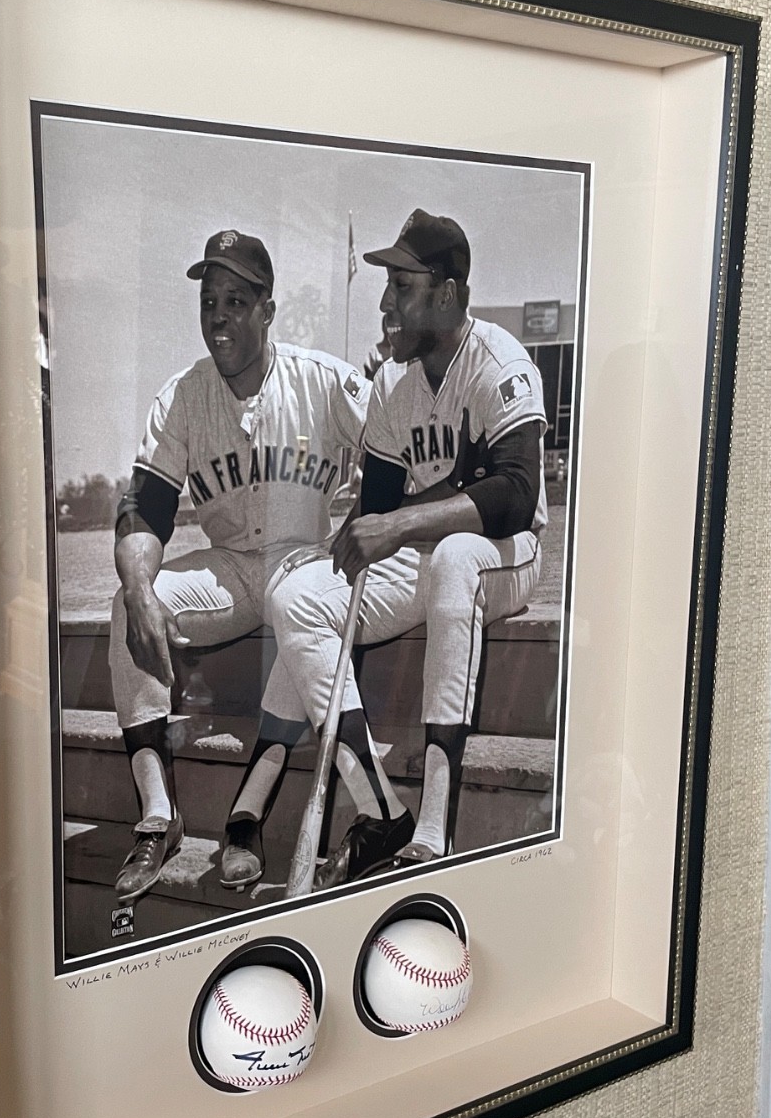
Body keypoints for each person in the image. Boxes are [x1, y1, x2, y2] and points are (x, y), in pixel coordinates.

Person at [262, 208, 548, 887]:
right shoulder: (395, 383)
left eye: (402, 286)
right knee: (294, 596)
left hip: (505, 557)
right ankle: (381, 809)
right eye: (387, 287)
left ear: (446, 293)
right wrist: (341, 542)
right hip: (427, 557)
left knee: (454, 557)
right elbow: (380, 508)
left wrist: (394, 525)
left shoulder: (499, 361)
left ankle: (434, 828)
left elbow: (514, 495)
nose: (386, 303)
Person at [109, 228, 369, 898]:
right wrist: (140, 587)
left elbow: (394, 447)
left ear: (267, 311)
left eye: (235, 301)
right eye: (209, 302)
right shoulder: (183, 397)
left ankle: (246, 814)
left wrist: (374, 510)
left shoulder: (323, 381)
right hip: (229, 567)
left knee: (300, 598)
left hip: (302, 561)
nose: (218, 318)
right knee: (130, 599)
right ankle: (157, 816)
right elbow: (145, 509)